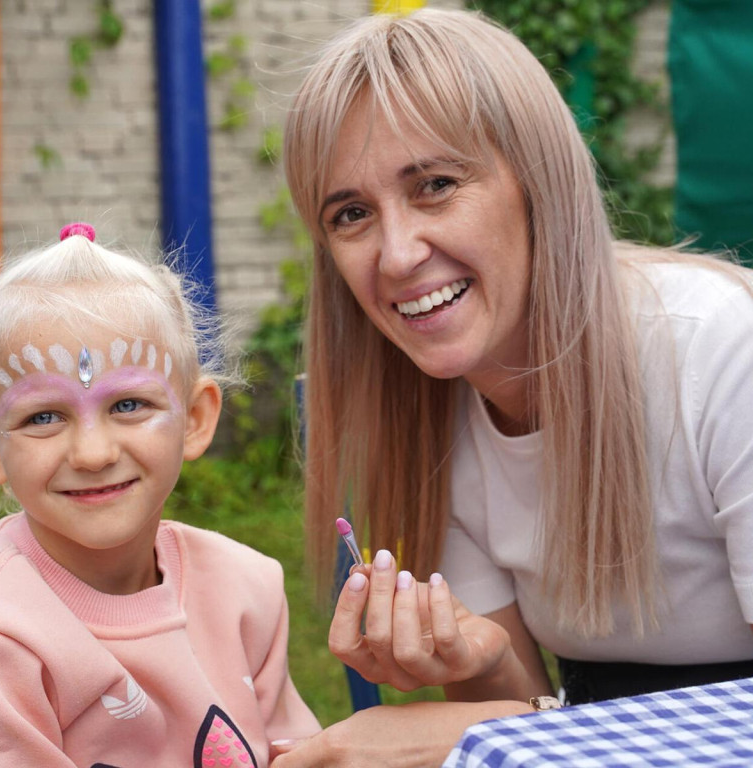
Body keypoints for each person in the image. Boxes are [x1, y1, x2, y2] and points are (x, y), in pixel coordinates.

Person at [271, 8, 753, 767]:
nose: (396, 255)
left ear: (536, 181)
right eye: (353, 213)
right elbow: (537, 717)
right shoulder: (431, 413)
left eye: (434, 185)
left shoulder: (721, 352)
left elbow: (539, 737)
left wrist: (488, 734)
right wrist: (488, 665)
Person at [0, 223, 320, 766]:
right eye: (44, 416)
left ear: (195, 420)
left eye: (128, 405)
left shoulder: (245, 588)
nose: (93, 453)